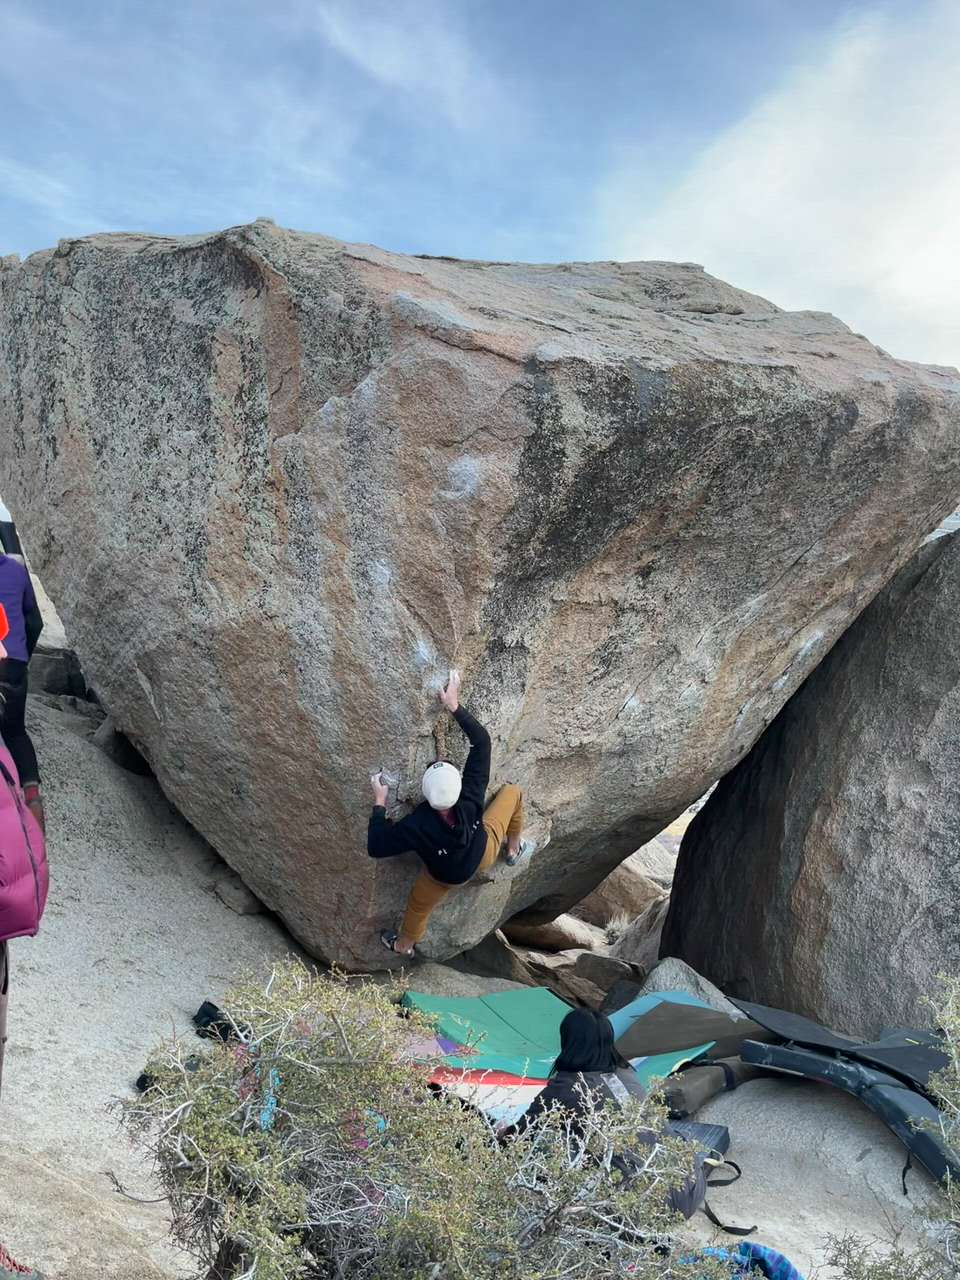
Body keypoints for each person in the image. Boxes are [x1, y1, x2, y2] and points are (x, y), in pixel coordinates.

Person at [368, 671, 534, 957]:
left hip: (444, 876)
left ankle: (404, 945)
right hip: (480, 855)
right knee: (513, 794)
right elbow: (482, 742)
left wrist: (380, 802)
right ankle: (512, 847)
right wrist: (454, 706)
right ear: (458, 783)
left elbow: (377, 846)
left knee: (419, 906)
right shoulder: (469, 797)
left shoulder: (418, 824)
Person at [505, 1008, 647, 1137]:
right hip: (662, 1158)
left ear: (568, 1042)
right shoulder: (627, 1073)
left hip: (619, 1164)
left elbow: (519, 1135)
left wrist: (500, 1132)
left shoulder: (566, 1087)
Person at [0, 549, 43, 830]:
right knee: (16, 732)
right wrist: (21, 655)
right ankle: (34, 804)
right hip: (14, 662)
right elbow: (34, 620)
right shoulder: (16, 571)